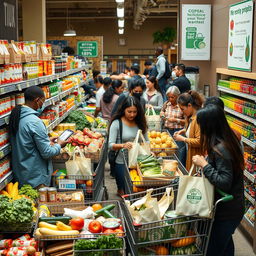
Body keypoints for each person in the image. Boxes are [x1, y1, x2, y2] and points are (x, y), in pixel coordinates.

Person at [192, 104, 244, 256]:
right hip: (229, 208)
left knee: (213, 249)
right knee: (225, 246)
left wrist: (204, 165)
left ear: (209, 125)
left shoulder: (222, 149)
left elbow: (224, 182)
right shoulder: (225, 141)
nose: (200, 129)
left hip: (226, 211)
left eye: (201, 125)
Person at [9, 86, 67, 189]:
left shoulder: (17, 116)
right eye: (42, 101)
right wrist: (59, 145)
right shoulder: (35, 122)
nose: (42, 105)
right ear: (37, 100)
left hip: (21, 174)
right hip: (35, 177)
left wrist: (46, 140)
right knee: (40, 204)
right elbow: (47, 152)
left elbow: (25, 142)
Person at [108, 96, 148, 196]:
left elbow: (146, 140)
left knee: (136, 190)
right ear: (123, 110)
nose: (132, 114)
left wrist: (148, 148)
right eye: (129, 111)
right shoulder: (117, 123)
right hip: (122, 162)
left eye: (135, 112)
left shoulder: (140, 123)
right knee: (124, 191)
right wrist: (123, 145)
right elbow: (110, 145)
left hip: (138, 162)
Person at [173, 90, 203, 170]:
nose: (182, 112)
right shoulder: (190, 117)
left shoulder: (197, 119)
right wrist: (183, 131)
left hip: (197, 159)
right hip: (190, 154)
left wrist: (182, 139)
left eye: (182, 109)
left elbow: (199, 141)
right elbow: (191, 130)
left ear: (189, 105)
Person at [160, 86, 186, 165]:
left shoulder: (181, 106)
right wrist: (162, 114)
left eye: (173, 97)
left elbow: (187, 121)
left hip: (178, 132)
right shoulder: (166, 104)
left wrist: (176, 120)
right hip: (167, 131)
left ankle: (180, 170)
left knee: (179, 153)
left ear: (178, 96)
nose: (170, 99)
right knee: (168, 152)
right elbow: (162, 111)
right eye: (169, 97)